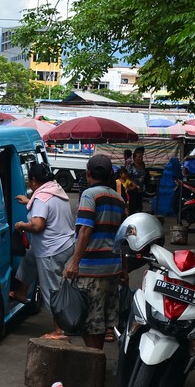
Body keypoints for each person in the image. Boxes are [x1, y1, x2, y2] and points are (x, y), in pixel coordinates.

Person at [64, 154, 127, 350]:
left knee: (89, 323)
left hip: (92, 269)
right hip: (113, 269)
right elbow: (123, 238)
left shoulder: (89, 195)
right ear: (110, 174)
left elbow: (85, 229)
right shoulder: (119, 199)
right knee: (99, 322)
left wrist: (75, 262)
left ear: (88, 173)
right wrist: (124, 269)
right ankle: (96, 362)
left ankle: (94, 365)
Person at [10, 163, 76, 339]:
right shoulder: (55, 189)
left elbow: (38, 225)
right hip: (66, 243)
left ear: (33, 181)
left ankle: (59, 330)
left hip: (51, 250)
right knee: (30, 258)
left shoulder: (41, 199)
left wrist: (21, 225)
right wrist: (29, 201)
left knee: (50, 289)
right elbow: (45, 205)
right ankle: (21, 292)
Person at [124, 146, 148, 214]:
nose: (140, 158)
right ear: (134, 158)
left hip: (140, 189)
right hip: (132, 189)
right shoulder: (131, 166)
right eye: (139, 157)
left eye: (141, 156)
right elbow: (127, 176)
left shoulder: (143, 165)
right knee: (133, 206)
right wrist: (133, 184)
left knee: (139, 205)